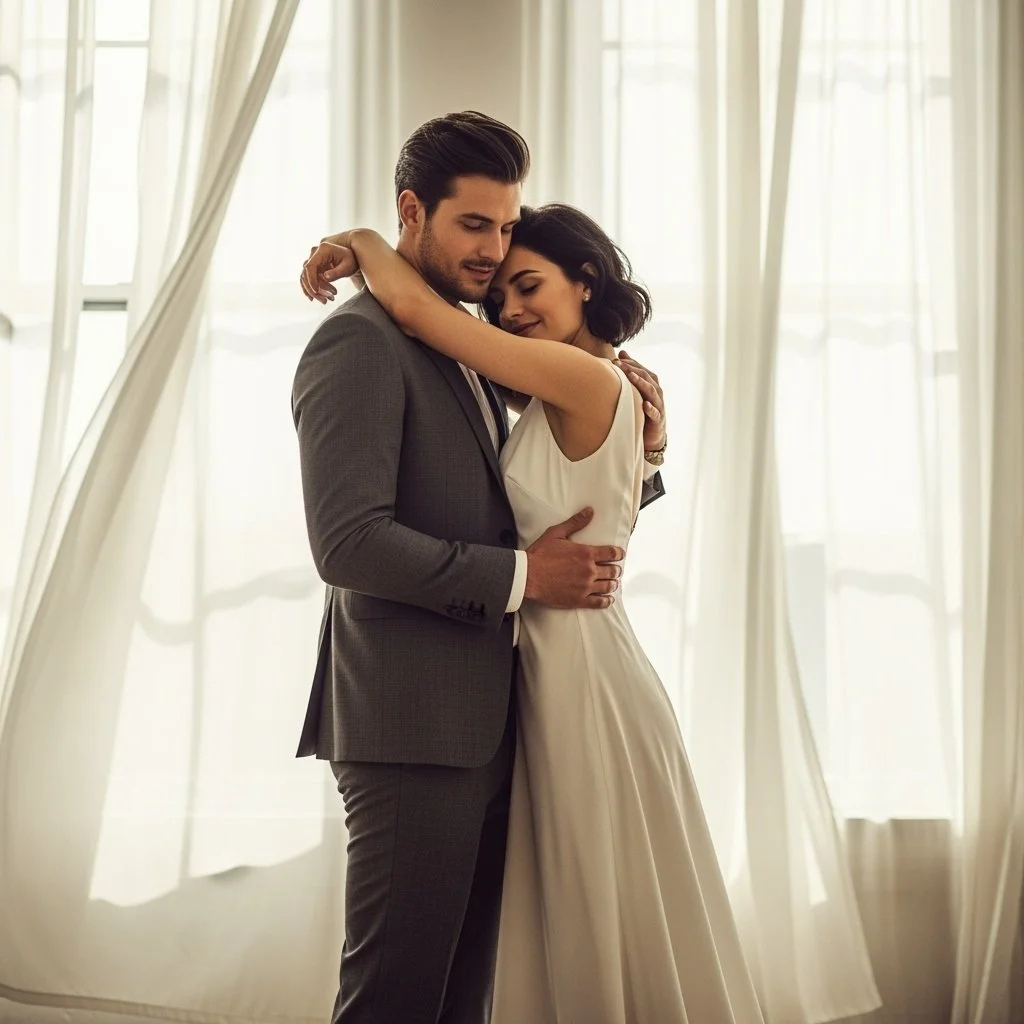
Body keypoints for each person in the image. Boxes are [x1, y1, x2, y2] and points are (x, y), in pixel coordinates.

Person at [300, 202, 766, 1021]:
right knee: (572, 930)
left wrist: (361, 240)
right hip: (527, 683)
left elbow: (414, 309)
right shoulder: (546, 385)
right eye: (502, 299)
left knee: (593, 928)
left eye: (528, 284)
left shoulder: (581, 377)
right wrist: (644, 455)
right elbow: (537, 492)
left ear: (585, 283)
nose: (510, 309)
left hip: (580, 681)